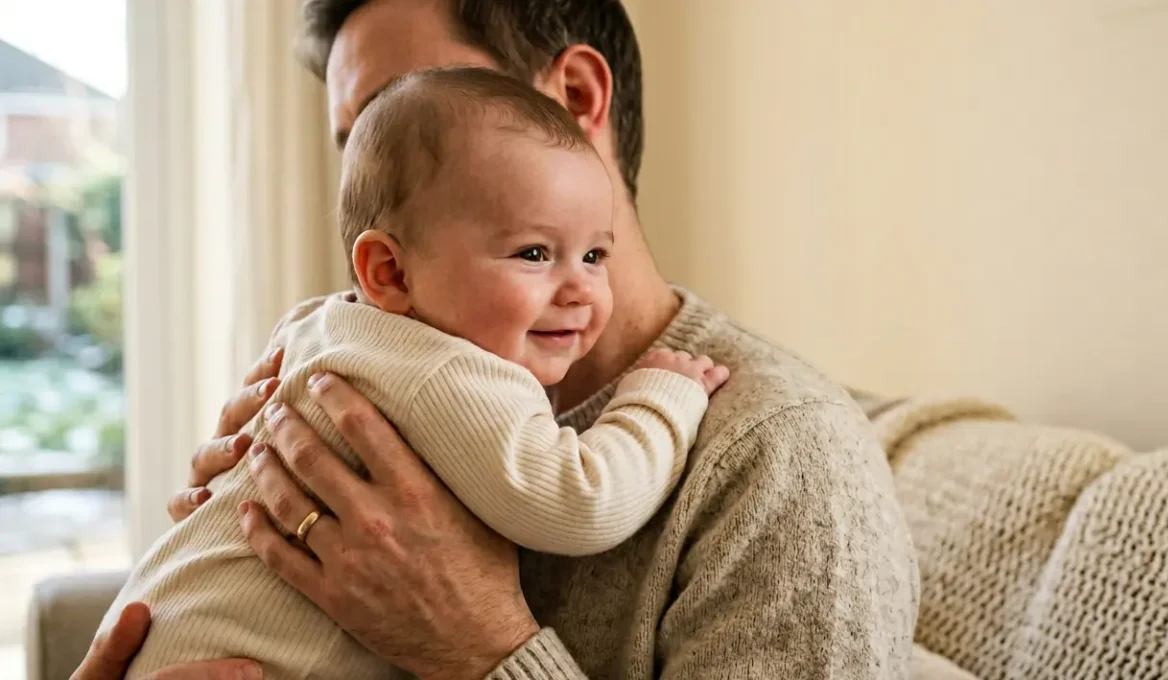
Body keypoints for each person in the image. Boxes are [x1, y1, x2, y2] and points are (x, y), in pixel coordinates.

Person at [82, 0, 919, 678]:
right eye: (358, 141)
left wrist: (484, 652)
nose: (375, 170)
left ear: (577, 100)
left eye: (406, 103)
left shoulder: (781, 460)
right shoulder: (356, 372)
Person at [96, 67, 729, 680]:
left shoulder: (320, 323)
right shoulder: (457, 373)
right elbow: (581, 499)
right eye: (534, 253)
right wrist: (660, 398)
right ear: (390, 273)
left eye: (594, 254)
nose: (581, 289)